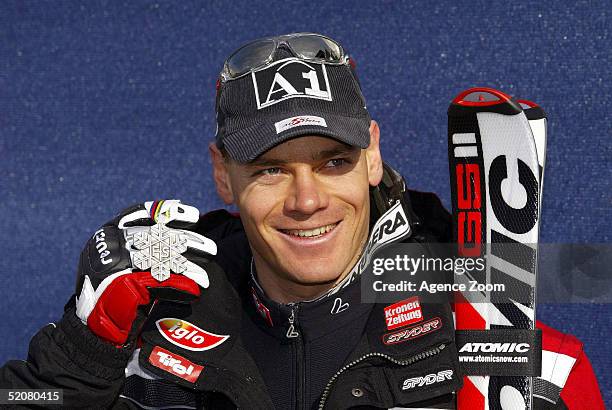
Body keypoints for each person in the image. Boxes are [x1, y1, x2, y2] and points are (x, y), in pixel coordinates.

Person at [0, 33, 604, 410]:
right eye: (269, 169)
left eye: (334, 161)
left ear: (372, 154)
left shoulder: (511, 353)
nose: (307, 199)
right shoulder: (150, 321)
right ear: (221, 174)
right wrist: (80, 359)